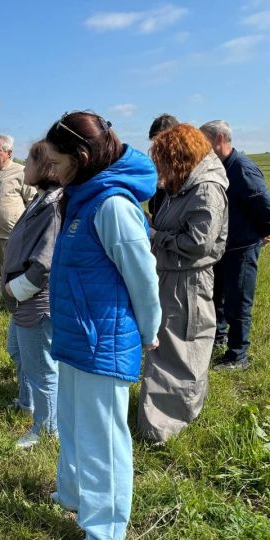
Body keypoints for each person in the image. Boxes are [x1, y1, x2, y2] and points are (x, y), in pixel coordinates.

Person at [46, 111, 161, 539]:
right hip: (77, 337)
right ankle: (73, 495)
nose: (53, 172)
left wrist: (150, 330)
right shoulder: (83, 200)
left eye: (58, 164)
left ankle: (105, 528)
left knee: (103, 443)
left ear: (81, 156)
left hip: (102, 340)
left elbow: (143, 277)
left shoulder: (112, 205)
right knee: (74, 426)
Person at [137, 124, 229, 443]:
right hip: (173, 275)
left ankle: (165, 428)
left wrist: (155, 236)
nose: (159, 168)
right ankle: (168, 418)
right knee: (171, 346)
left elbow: (198, 243)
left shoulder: (206, 189)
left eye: (162, 160)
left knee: (179, 348)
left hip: (187, 281)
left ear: (179, 157)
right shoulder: (188, 185)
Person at [2, 140, 63, 448]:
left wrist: (20, 286)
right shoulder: (42, 199)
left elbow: (45, 260)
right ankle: (27, 402)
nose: (24, 167)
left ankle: (46, 428)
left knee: (42, 368)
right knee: (18, 351)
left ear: (46, 167)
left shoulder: (54, 207)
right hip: (22, 298)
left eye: (29, 162)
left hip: (36, 299)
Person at [200, 120, 270, 370]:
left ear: (219, 139)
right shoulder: (219, 167)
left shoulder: (242, 169)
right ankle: (218, 341)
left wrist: (263, 233)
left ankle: (238, 355)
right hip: (223, 247)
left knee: (238, 302)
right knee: (216, 297)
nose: (200, 146)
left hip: (241, 247)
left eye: (204, 140)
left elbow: (264, 206)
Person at [0, 134, 35, 309]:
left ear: (9, 153)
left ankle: (14, 307)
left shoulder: (21, 172)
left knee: (11, 274)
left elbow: (31, 201)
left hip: (11, 235)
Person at [146, 114, 180, 221]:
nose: (158, 148)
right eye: (155, 143)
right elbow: (155, 206)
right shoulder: (161, 167)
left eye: (163, 142)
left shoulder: (186, 170)